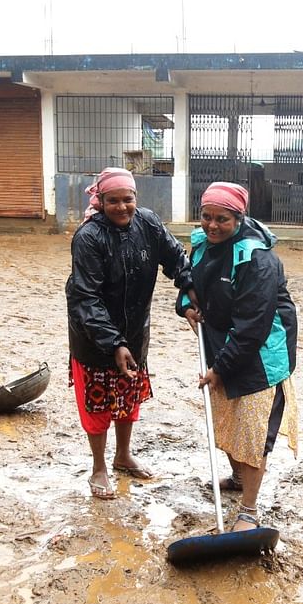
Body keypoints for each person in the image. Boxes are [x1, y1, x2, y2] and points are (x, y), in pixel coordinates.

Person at [66, 168, 195, 500]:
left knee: (127, 399)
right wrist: (113, 342)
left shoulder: (148, 224)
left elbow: (176, 259)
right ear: (100, 201)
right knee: (97, 408)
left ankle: (123, 455)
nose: (121, 207)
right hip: (94, 340)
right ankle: (98, 468)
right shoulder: (88, 237)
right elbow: (86, 297)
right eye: (113, 201)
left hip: (136, 333)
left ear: (136, 199)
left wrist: (191, 288)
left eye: (128, 199)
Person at [177, 182, 298, 532]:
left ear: (239, 217)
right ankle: (237, 476)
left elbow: (253, 327)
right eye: (206, 217)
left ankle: (249, 509)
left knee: (253, 432)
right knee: (226, 419)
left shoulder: (257, 260)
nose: (212, 226)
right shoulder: (202, 244)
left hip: (260, 355)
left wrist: (219, 368)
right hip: (220, 343)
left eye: (222, 219)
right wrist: (185, 305)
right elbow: (189, 280)